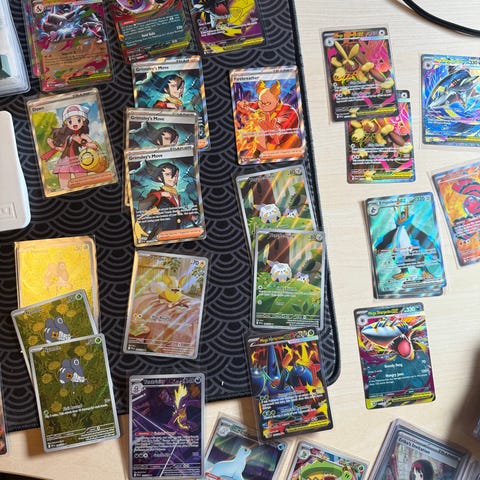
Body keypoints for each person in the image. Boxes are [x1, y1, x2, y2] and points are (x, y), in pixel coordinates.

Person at [41, 104, 98, 190]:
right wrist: (53, 146)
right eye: (70, 121)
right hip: (65, 159)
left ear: (83, 121)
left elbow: (94, 146)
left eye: (78, 120)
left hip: (77, 158)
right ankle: (65, 190)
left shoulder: (82, 135)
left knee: (82, 179)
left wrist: (81, 141)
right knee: (64, 177)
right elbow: (63, 149)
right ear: (66, 123)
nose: (74, 124)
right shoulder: (68, 137)